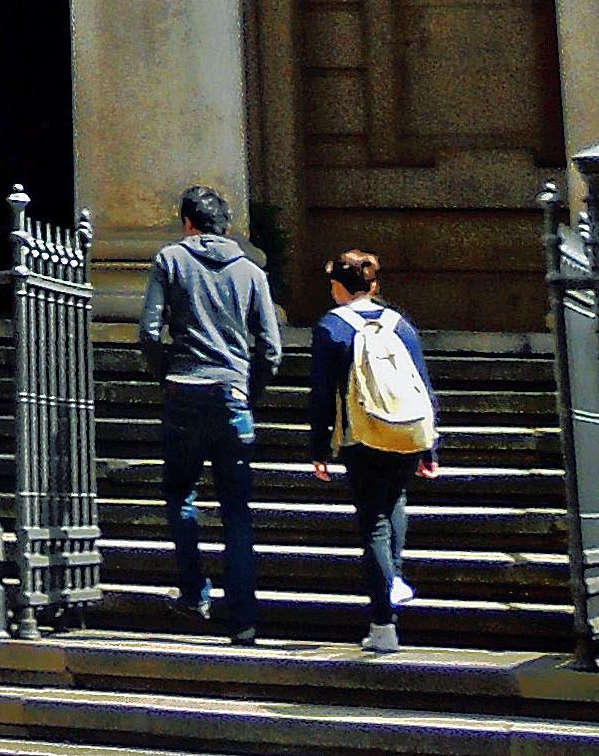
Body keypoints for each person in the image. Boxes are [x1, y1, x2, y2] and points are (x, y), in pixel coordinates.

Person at [138, 183, 283, 645]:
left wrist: (168, 375)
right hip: (232, 395)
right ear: (226, 226)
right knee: (237, 510)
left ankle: (194, 591)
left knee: (180, 493)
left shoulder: (170, 260)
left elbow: (148, 331)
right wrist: (247, 389)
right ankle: (242, 621)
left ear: (187, 222)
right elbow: (271, 350)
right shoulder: (251, 272)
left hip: (184, 392)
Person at [308, 248, 440, 656]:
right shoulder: (401, 324)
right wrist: (430, 448)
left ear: (338, 287)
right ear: (374, 285)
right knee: (395, 502)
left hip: (362, 436)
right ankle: (394, 580)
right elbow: (422, 384)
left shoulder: (331, 327)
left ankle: (384, 625)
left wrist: (319, 449)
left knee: (373, 525)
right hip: (406, 433)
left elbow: (320, 395)